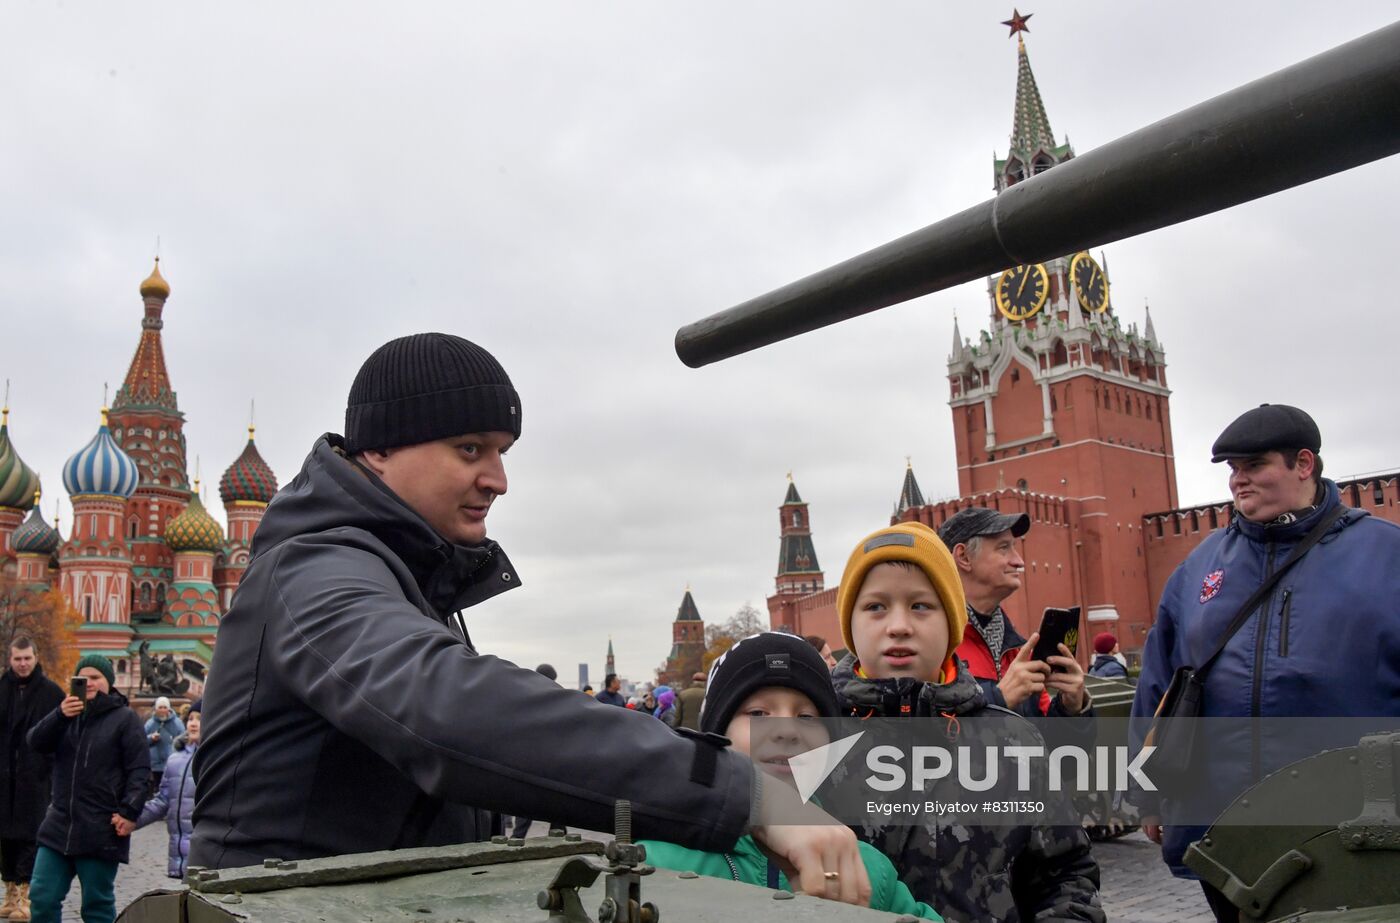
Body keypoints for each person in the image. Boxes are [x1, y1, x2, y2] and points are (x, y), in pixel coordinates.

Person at [190, 333, 869, 905]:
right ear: (380, 449)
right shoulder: (313, 568)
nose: (498, 478)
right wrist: (744, 790)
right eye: (470, 448)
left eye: (502, 453)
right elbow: (443, 706)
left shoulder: (404, 575)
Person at [1130, 404, 1400, 923]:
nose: (1238, 481)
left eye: (1253, 465)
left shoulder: (1384, 556)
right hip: (1224, 825)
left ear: (1304, 464)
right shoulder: (1199, 568)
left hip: (1350, 822)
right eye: (1232, 470)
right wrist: (1146, 792)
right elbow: (1160, 683)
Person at [832, 522, 1104, 923]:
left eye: (921, 605)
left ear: (953, 622)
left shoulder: (1012, 742)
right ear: (850, 625)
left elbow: (1064, 875)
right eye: (875, 607)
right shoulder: (815, 739)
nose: (899, 625)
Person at [640, 632, 942, 921]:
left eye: (807, 717)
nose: (786, 730)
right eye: (758, 714)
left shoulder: (867, 869)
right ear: (717, 734)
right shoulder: (658, 860)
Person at [26, 655, 148, 923]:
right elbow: (35, 741)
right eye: (83, 678)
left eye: (96, 678)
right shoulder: (67, 715)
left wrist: (129, 813)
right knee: (42, 898)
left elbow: (139, 771)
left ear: (109, 682)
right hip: (58, 825)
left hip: (101, 828)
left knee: (96, 905)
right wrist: (59, 715)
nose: (89, 683)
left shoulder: (125, 719)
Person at [937, 509, 1089, 719]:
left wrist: (1071, 708)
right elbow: (921, 736)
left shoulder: (1017, 650)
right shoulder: (934, 646)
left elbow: (1053, 745)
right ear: (963, 556)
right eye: (1003, 548)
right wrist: (998, 699)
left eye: (1014, 547)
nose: (1019, 561)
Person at [0, 638, 65, 922]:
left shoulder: (51, 693)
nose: (23, 664)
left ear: (36, 658)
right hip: (3, 776)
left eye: (27, 658)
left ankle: (25, 895)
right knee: (4, 837)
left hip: (36, 777)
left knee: (30, 835)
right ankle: (9, 891)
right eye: (18, 659)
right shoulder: (1, 689)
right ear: (10, 660)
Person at [135, 707, 201, 878]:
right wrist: (130, 819)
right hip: (177, 857)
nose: (193, 723)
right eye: (191, 718)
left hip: (204, 858)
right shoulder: (175, 759)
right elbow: (163, 801)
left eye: (200, 718)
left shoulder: (217, 758)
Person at [143, 696, 184, 797]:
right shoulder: (150, 723)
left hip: (171, 763)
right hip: (155, 765)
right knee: (156, 789)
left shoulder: (177, 723)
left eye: (164, 707)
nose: (162, 710)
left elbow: (183, 738)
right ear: (156, 709)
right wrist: (151, 738)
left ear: (169, 709)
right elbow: (141, 740)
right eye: (160, 707)